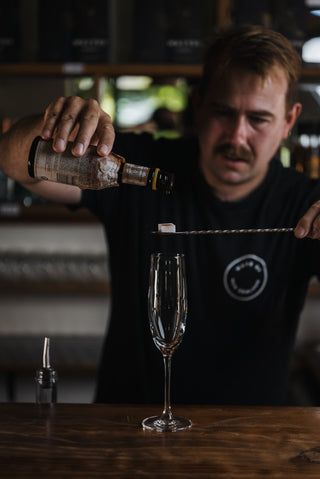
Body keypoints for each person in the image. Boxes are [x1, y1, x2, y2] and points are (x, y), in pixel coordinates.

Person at [1, 24, 320, 406]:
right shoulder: (134, 167)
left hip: (250, 440)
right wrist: (51, 127)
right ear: (198, 104)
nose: (237, 137)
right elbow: (14, 162)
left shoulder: (306, 202)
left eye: (258, 119)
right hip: (127, 431)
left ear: (288, 120)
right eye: (224, 111)